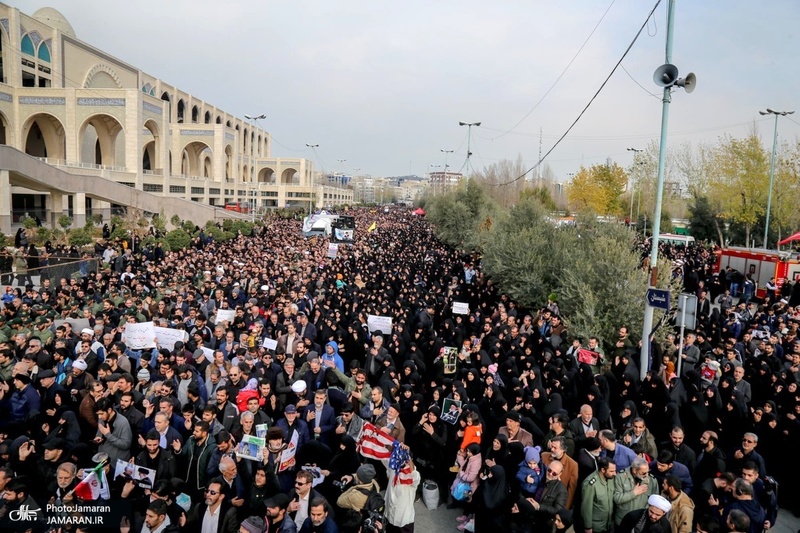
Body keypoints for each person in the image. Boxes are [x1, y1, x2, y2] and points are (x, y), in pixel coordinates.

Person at [612, 457, 658, 527]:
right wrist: (634, 493)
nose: (647, 475)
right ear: (634, 470)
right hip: (623, 520)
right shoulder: (620, 477)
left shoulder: (652, 480)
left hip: (640, 521)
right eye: (644, 473)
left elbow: (655, 502)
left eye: (648, 472)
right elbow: (617, 499)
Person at [579, 457, 616, 533]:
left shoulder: (610, 478)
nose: (615, 473)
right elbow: (586, 508)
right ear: (603, 470)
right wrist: (588, 527)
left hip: (608, 525)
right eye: (612, 471)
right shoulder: (591, 484)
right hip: (596, 527)